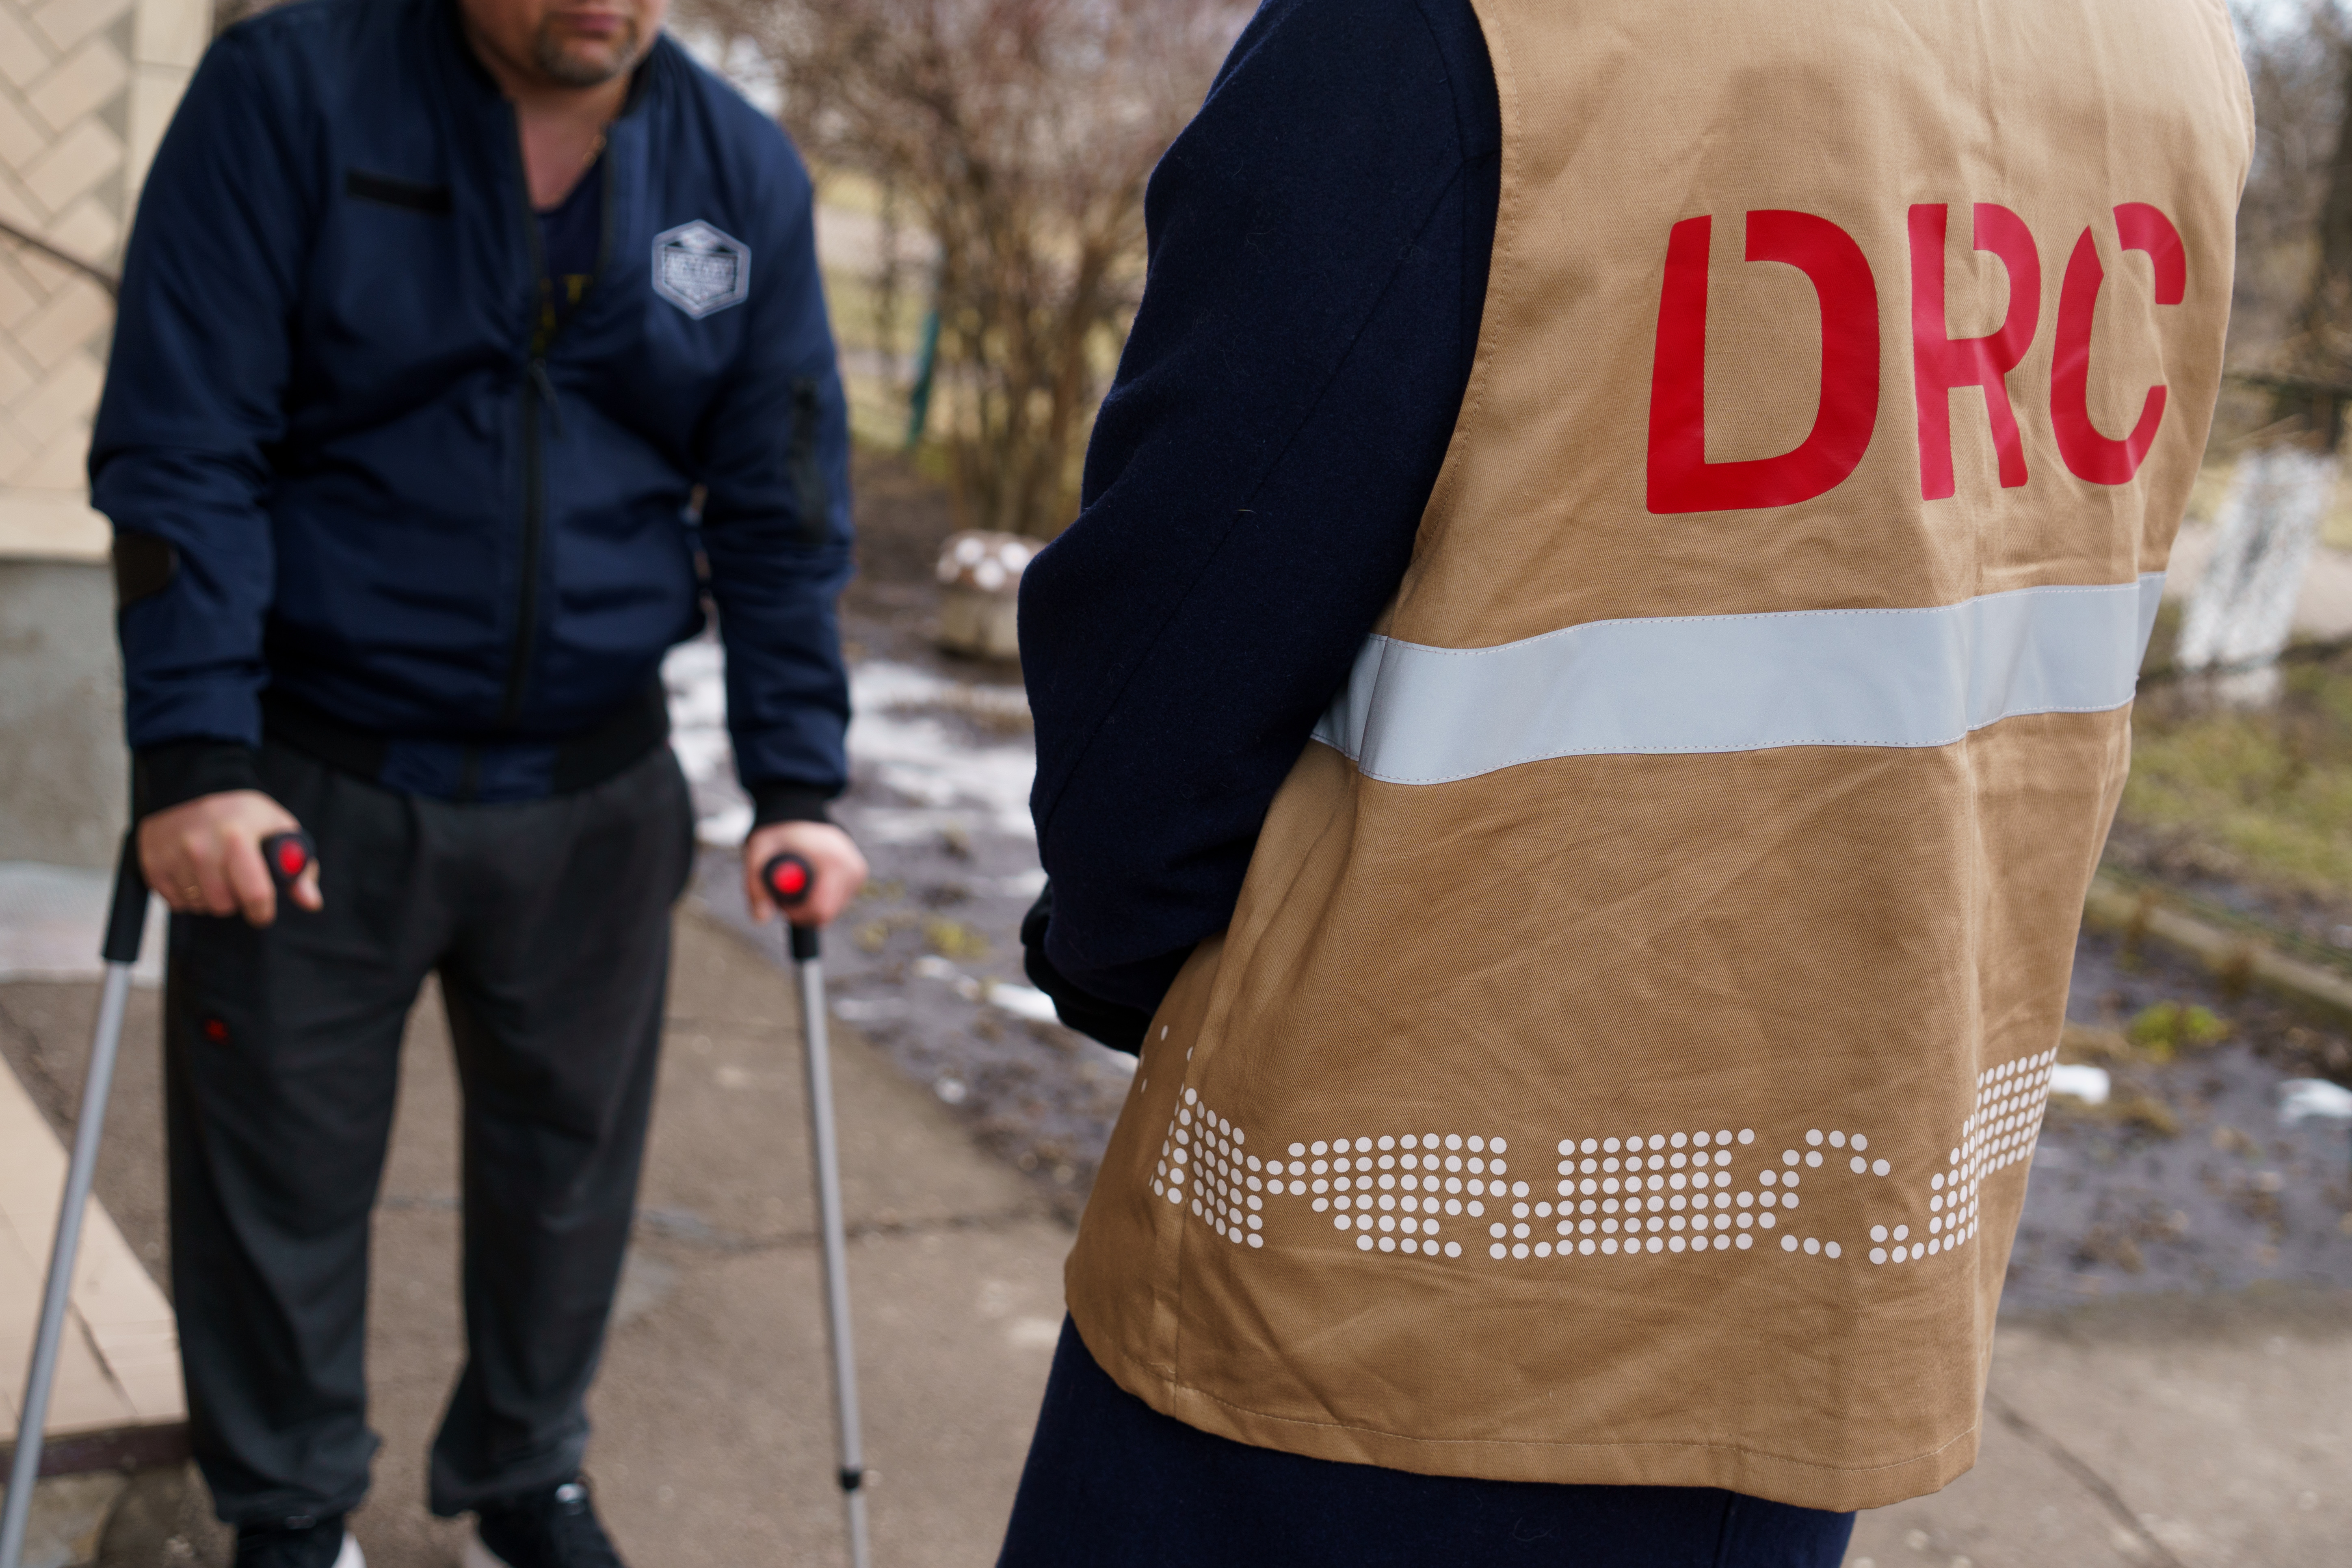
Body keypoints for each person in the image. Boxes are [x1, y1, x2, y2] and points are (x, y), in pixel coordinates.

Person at [1008, 0, 2251, 1562]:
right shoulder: (2177, 49)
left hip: (1368, 1287)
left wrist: (1136, 957)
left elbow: (1172, 651)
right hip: (1836, 1260)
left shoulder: (1455, 30)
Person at [89, 0, 867, 1562]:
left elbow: (781, 505)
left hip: (593, 785)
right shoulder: (290, 94)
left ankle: (527, 1475)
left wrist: (798, 781)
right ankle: (292, 1506)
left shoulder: (742, 171)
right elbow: (189, 442)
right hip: (311, 769)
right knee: (278, 1183)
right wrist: (192, 760)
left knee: (568, 1175)